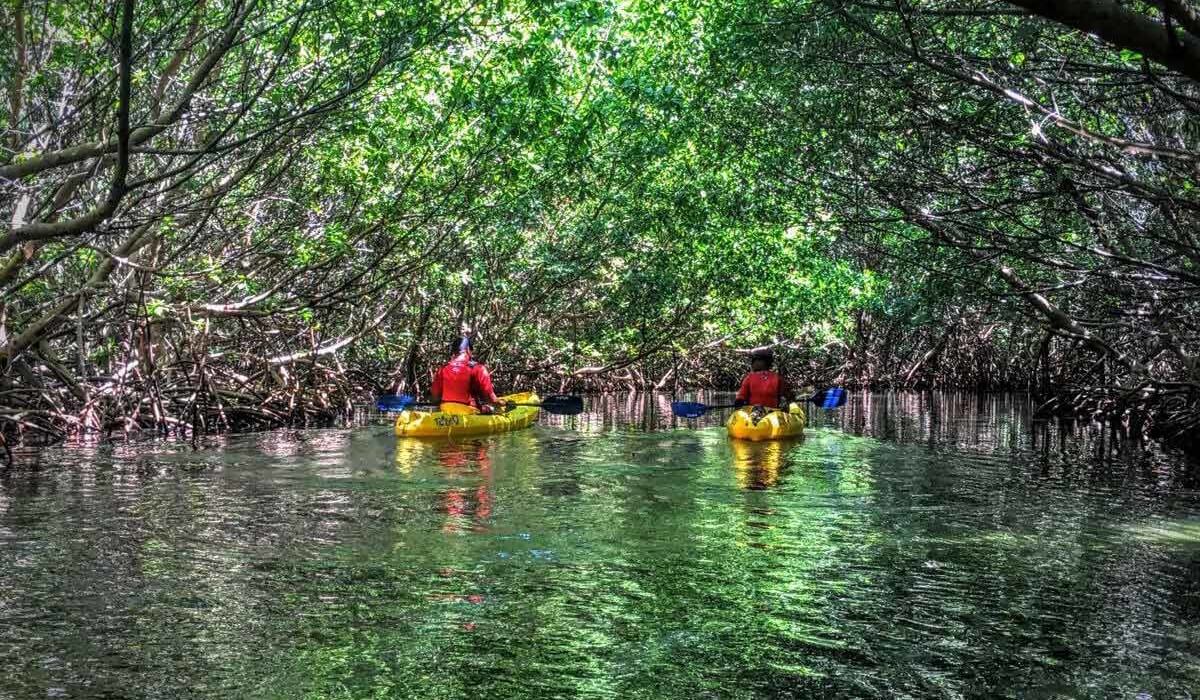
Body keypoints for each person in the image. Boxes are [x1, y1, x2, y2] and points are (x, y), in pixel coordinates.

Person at [430, 336, 505, 414]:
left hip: (446, 410)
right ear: (468, 350)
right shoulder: (478, 369)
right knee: (490, 409)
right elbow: (491, 399)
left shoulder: (443, 369)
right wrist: (503, 403)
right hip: (468, 412)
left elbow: (435, 396)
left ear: (454, 351)